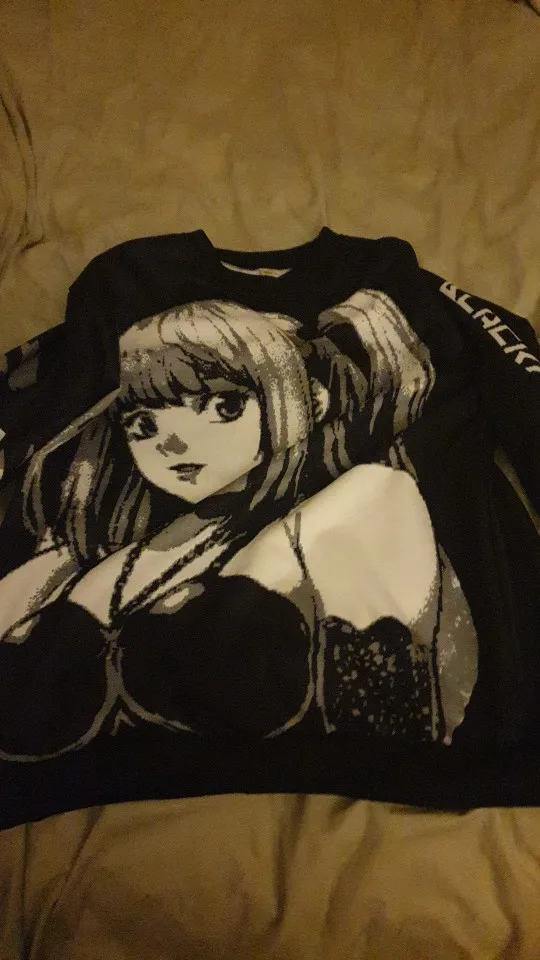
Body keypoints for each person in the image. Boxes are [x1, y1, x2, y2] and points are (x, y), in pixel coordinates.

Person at [0, 295, 477, 759]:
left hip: (354, 779)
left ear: (305, 401)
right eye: (143, 424)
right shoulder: (116, 552)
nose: (173, 444)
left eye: (224, 407)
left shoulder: (361, 497)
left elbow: (398, 696)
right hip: (109, 794)